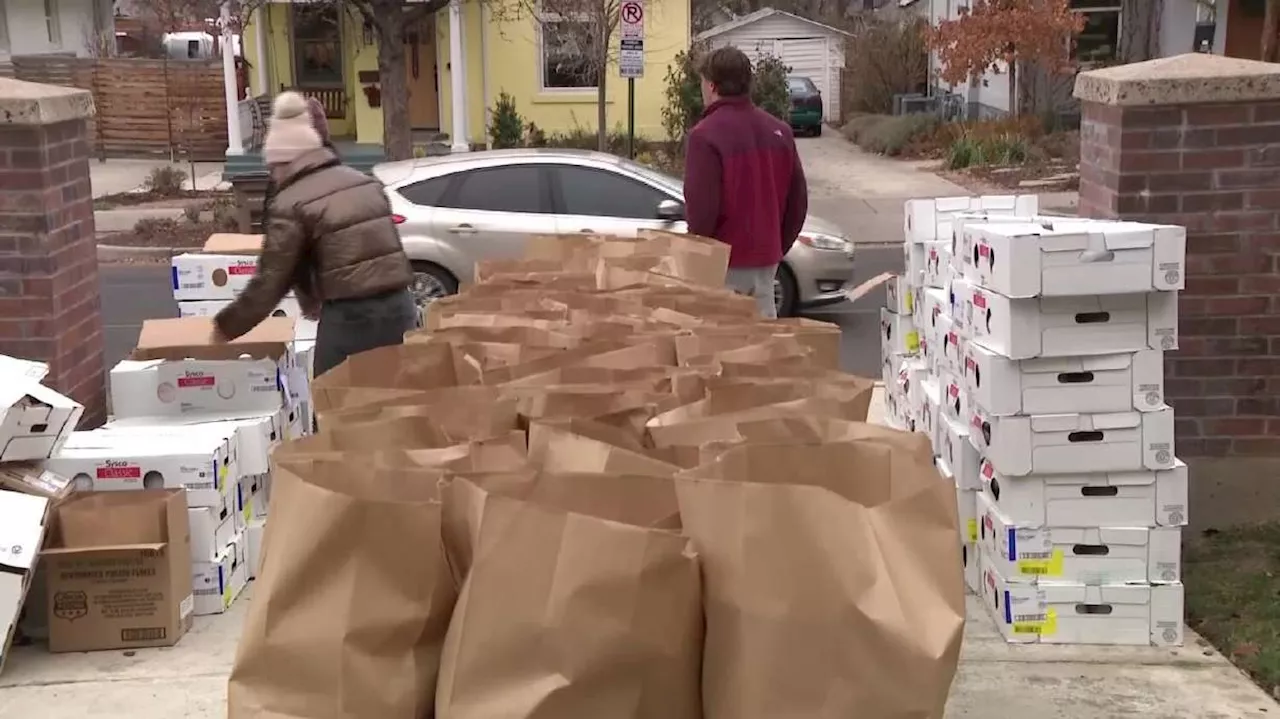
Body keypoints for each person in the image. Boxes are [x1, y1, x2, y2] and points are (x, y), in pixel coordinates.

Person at [213, 91, 417, 378]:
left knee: (334, 401)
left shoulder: (291, 201)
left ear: (286, 160)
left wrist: (225, 327)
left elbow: (272, 279)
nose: (273, 175)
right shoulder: (365, 182)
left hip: (350, 317)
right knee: (399, 400)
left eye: (273, 166)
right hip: (401, 308)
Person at [683, 46, 809, 319]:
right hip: (766, 265)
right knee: (761, 350)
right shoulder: (780, 132)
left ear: (712, 85)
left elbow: (702, 212)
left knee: (724, 350)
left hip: (723, 267)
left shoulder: (704, 137)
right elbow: (798, 204)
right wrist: (775, 247)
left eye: (703, 83)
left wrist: (698, 262)